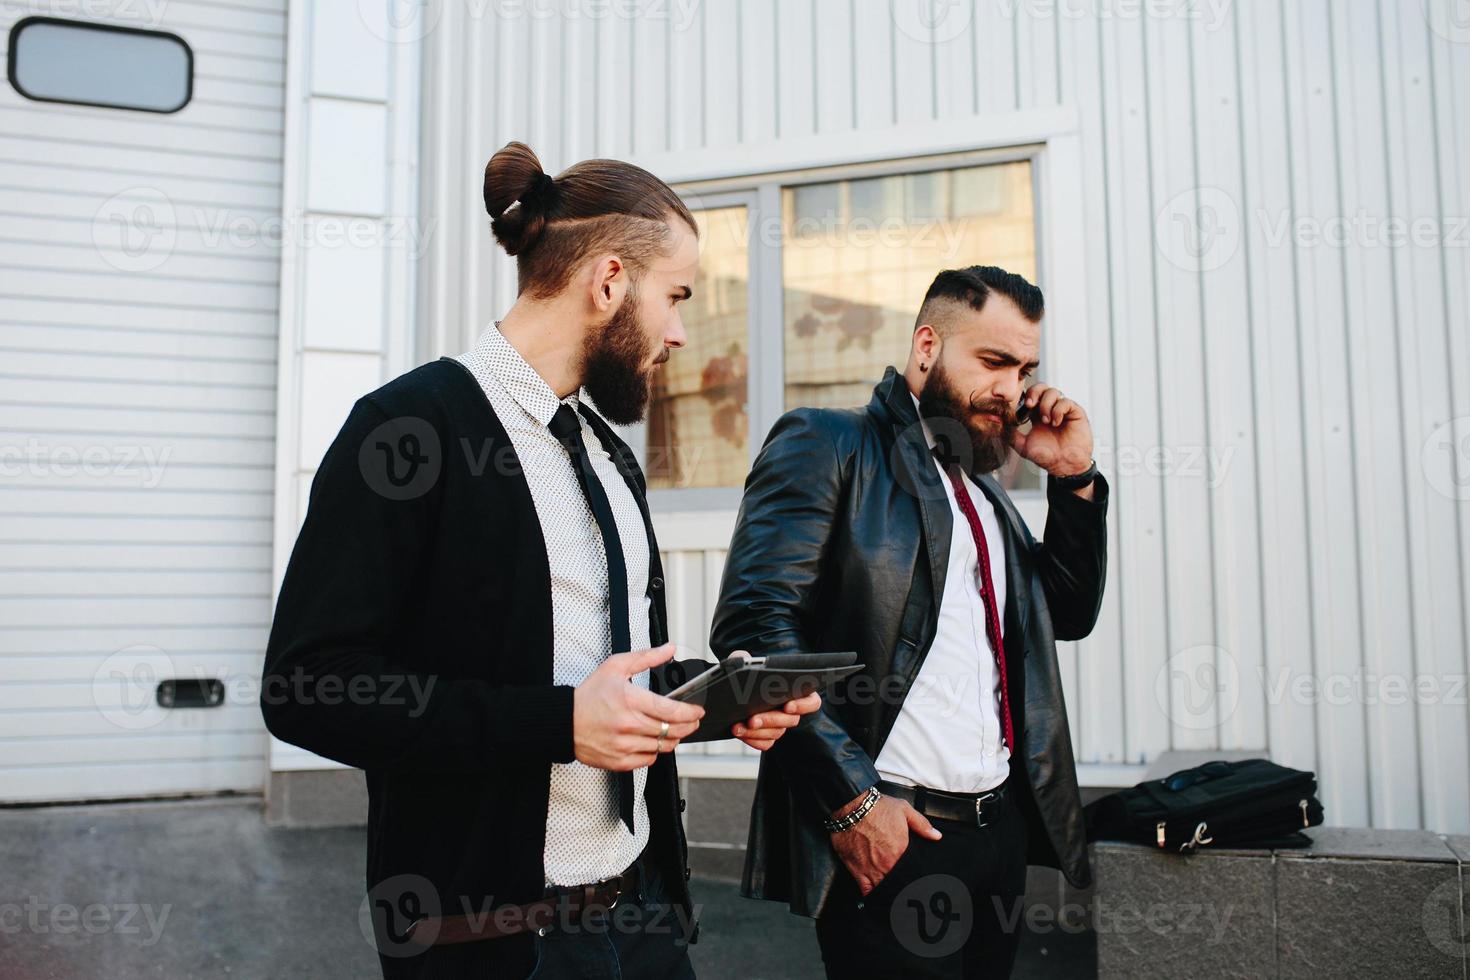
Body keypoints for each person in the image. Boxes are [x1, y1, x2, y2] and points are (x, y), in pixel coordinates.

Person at [261, 141, 819, 980]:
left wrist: (719, 699)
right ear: (607, 282)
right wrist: (556, 725)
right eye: (675, 297)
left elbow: (601, 676)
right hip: (489, 942)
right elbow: (307, 688)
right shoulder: (406, 430)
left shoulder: (606, 453)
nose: (675, 332)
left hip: (644, 920)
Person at [710, 265, 1110, 978]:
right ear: (927, 346)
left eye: (1024, 369)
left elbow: (1067, 616)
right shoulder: (830, 443)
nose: (1011, 391)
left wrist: (1075, 481)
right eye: (992, 361)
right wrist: (855, 804)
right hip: (898, 834)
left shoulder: (987, 500)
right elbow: (755, 628)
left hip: (998, 837)